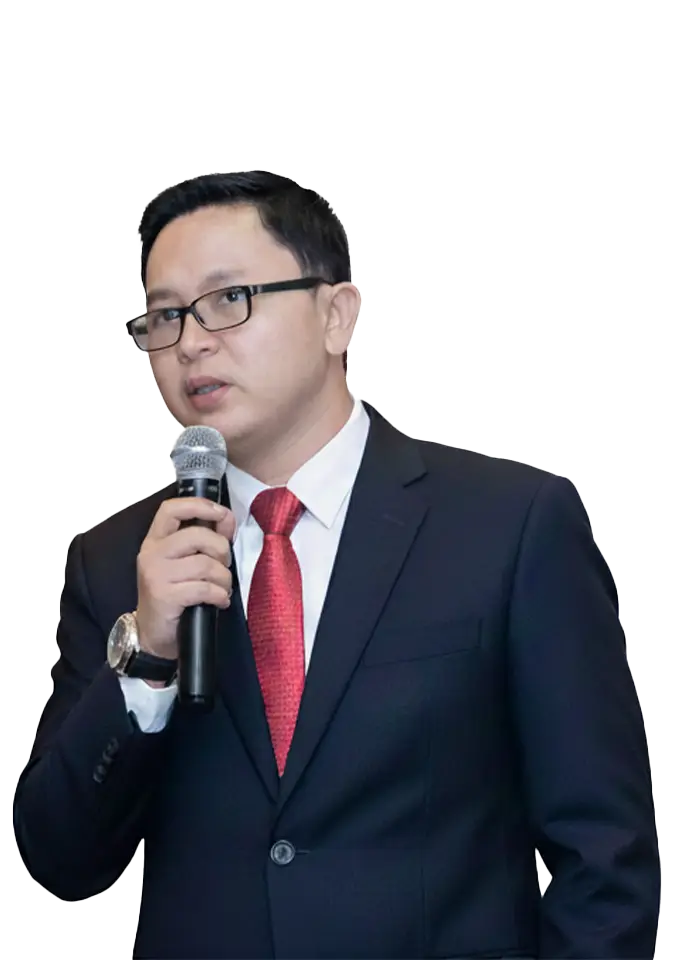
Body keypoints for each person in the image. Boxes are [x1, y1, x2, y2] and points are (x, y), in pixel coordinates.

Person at [12, 169, 661, 959]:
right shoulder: (121, 559)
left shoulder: (509, 526)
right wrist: (146, 656)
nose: (191, 342)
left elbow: (606, 857)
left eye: (229, 299)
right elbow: (61, 860)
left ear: (336, 315)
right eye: (164, 315)